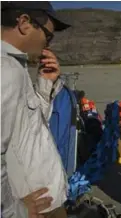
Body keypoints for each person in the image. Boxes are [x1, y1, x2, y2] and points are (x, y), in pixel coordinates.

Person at [1, 2, 71, 218]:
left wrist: (45, 85)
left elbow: (28, 128)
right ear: (24, 23)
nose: (47, 45)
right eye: (48, 36)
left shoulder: (16, 67)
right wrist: (13, 211)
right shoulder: (6, 70)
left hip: (41, 203)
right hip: (36, 209)